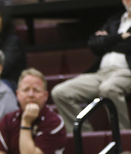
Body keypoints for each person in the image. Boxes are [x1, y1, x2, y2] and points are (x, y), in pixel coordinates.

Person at [51, 0, 131, 132]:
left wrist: (108, 40)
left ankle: (124, 136)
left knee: (109, 88)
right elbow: (94, 43)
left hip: (126, 72)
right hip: (101, 73)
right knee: (60, 92)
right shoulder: (115, 20)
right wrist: (120, 37)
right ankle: (86, 137)